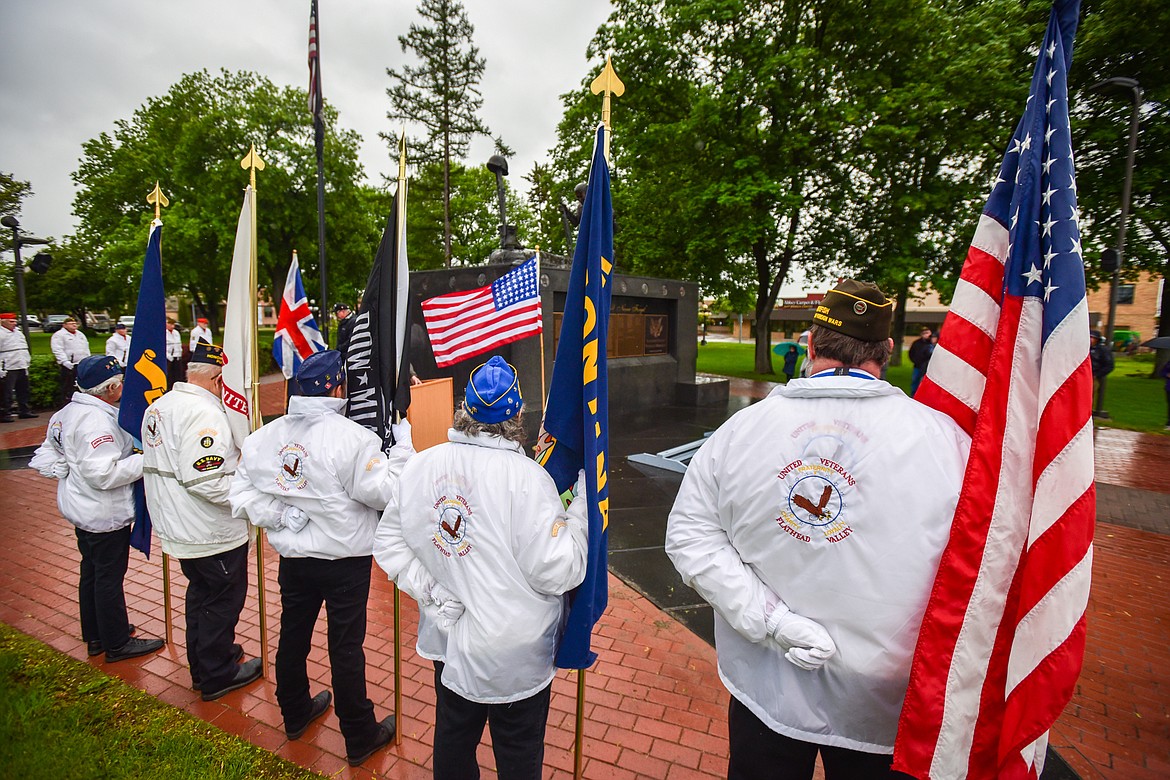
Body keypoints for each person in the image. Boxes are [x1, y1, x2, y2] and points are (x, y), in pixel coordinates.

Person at [665, 279, 970, 780]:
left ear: (811, 342)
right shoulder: (949, 446)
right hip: (884, 696)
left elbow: (691, 536)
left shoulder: (739, 433)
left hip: (770, 685)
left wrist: (773, 621)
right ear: (888, 349)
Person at [373, 355, 589, 780]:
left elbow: (388, 544)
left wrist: (432, 590)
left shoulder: (420, 466)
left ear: (464, 408)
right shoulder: (529, 480)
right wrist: (582, 513)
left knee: (454, 742)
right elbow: (557, 570)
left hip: (449, 638)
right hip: (514, 650)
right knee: (517, 753)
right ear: (518, 416)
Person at [230, 350, 409, 765]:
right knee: (345, 648)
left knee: (293, 635)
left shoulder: (263, 439)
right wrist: (402, 453)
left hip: (295, 560)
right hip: (345, 561)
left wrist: (277, 514)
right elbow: (383, 493)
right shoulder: (352, 438)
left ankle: (294, 712)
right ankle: (359, 733)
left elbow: (240, 493)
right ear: (337, 387)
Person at [141, 342, 260, 701]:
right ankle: (216, 674)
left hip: (182, 524)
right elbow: (206, 480)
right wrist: (251, 498)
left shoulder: (160, 406)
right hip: (209, 529)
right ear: (219, 379)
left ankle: (206, 660)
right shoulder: (204, 414)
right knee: (222, 600)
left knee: (202, 595)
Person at [29, 355, 166, 662]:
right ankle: (116, 643)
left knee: (91, 572)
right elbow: (103, 474)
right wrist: (149, 458)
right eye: (119, 382)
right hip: (103, 513)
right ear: (110, 389)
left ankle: (96, 635)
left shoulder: (67, 413)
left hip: (83, 508)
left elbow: (51, 454)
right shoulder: (96, 422)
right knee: (108, 577)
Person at [0, 312, 38, 421]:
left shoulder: (18, 332)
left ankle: (24, 410)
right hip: (8, 365)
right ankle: (5, 413)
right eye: (11, 321)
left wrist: (26, 362)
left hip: (21, 364)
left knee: (23, 390)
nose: (14, 323)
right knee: (6, 391)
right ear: (2, 322)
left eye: (15, 321)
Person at [51, 316, 91, 405]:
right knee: (68, 386)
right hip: (69, 364)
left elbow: (86, 347)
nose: (74, 325)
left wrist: (88, 359)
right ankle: (66, 403)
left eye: (75, 324)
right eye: (71, 324)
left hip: (81, 363)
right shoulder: (59, 335)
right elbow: (58, 349)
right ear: (64, 325)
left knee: (81, 385)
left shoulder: (80, 334)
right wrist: (65, 362)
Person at [1089, 331, 1114, 410]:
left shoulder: (1102, 350)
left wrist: (1097, 375)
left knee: (1088, 396)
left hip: (1093, 376)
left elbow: (1109, 365)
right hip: (1079, 376)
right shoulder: (1083, 348)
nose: (1090, 339)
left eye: (1092, 338)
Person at [908, 327, 933, 397]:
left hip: (928, 367)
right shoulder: (916, 343)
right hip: (917, 366)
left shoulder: (931, 343)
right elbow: (911, 353)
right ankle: (913, 396)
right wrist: (914, 360)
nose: (926, 335)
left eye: (927, 333)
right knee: (915, 381)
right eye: (924, 333)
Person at [165, 318, 184, 389]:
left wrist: (180, 353)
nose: (172, 326)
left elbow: (178, 343)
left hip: (177, 355)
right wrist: (168, 356)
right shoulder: (164, 333)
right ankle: (169, 387)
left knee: (178, 373)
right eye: (170, 324)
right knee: (169, 374)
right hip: (169, 356)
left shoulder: (176, 332)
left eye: (173, 324)